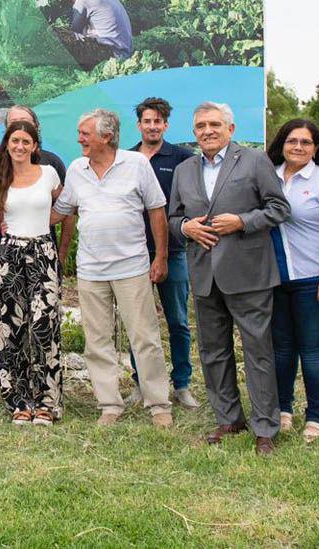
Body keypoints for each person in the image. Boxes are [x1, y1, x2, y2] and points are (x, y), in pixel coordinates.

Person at [168, 102, 291, 455]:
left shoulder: (253, 161)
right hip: (204, 276)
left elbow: (279, 208)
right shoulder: (185, 170)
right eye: (200, 126)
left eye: (214, 124)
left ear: (230, 128)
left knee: (257, 352)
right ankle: (229, 418)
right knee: (213, 352)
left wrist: (242, 221)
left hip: (249, 274)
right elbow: (173, 218)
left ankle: (265, 426)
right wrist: (185, 228)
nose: (206, 131)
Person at [52, 109, 173, 429]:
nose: (79, 139)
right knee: (97, 341)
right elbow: (61, 210)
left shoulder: (137, 164)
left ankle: (158, 404)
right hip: (91, 271)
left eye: (85, 134)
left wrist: (160, 257)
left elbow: (157, 212)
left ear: (106, 136)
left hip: (132, 267)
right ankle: (109, 404)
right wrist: (19, 210)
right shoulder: (77, 169)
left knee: (145, 338)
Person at [266, 118, 319, 443]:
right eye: (292, 141)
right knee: (281, 350)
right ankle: (284, 409)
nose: (298, 147)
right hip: (273, 279)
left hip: (314, 279)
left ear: (316, 148)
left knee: (312, 350)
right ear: (282, 143)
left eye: (305, 142)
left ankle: (316, 416)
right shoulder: (268, 176)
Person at [0, 120, 63, 424]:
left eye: (25, 142)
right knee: (9, 328)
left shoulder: (49, 174)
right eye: (14, 141)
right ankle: (18, 400)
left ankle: (47, 402)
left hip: (43, 254)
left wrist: (48, 227)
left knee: (44, 326)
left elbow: (66, 207)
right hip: (9, 256)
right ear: (7, 143)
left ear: (34, 147)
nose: (19, 146)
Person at [127, 97, 199, 410]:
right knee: (137, 322)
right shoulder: (126, 158)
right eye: (147, 121)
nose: (152, 126)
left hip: (174, 252)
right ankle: (140, 383)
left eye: (158, 121)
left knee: (178, 321)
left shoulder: (183, 157)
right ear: (139, 125)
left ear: (166, 125)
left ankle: (182, 384)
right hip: (133, 254)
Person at [0, 104, 75, 257]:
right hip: (4, 254)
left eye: (25, 121)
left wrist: (61, 256)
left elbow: (68, 208)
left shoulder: (51, 165)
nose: (20, 127)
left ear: (36, 127)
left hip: (42, 252)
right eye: (13, 123)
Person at [61, 0, 133, 70]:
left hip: (113, 54)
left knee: (65, 38)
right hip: (126, 49)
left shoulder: (82, 0)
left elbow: (75, 30)